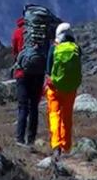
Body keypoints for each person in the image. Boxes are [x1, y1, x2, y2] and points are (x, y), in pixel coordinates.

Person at [45, 21, 82, 157]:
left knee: (54, 114)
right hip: (70, 89)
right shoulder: (76, 48)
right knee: (66, 117)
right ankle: (66, 146)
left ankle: (56, 145)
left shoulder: (54, 48)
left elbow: (48, 68)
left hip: (54, 87)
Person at [11, 13, 45, 148]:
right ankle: (31, 139)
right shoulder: (42, 32)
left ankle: (20, 139)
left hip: (22, 73)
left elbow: (14, 52)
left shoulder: (18, 32)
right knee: (34, 107)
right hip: (38, 73)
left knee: (22, 106)